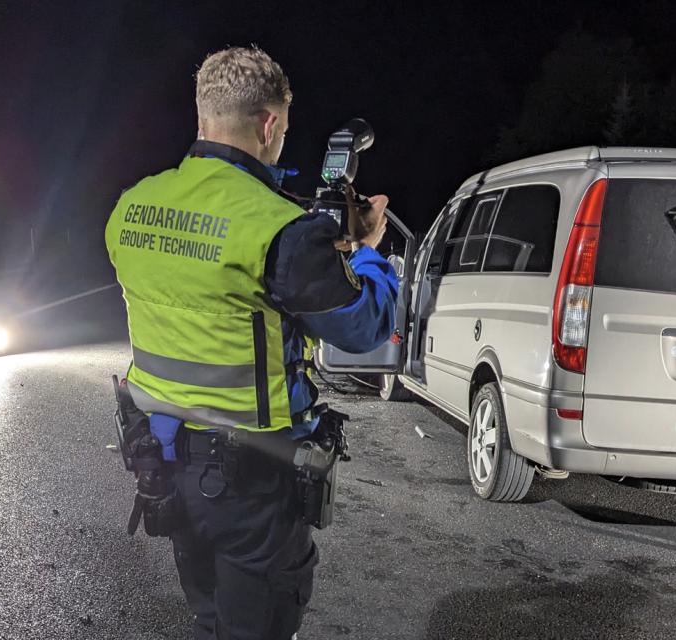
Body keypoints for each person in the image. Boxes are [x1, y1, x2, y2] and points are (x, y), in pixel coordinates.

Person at [104, 46, 398, 640]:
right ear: (269, 125)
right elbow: (364, 327)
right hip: (253, 483)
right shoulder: (280, 229)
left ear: (203, 117)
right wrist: (366, 253)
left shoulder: (130, 208)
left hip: (162, 467)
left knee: (208, 617)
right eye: (283, 130)